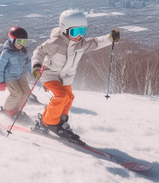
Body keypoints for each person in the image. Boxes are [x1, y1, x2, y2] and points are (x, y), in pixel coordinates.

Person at [31, 10, 120, 141]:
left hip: (66, 77)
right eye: (74, 32)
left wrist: (110, 38)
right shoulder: (56, 43)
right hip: (50, 75)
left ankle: (59, 119)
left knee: (69, 97)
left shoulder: (81, 44)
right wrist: (36, 66)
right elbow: (39, 51)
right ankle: (49, 122)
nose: (79, 36)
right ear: (64, 30)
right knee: (61, 96)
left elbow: (96, 42)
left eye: (82, 31)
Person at [0, 26, 32, 118]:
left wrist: (34, 73)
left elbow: (28, 62)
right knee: (17, 93)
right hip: (10, 77)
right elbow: (0, 68)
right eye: (19, 41)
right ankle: (8, 110)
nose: (21, 44)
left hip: (20, 75)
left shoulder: (23, 51)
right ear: (12, 40)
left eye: (24, 42)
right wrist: (0, 82)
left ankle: (16, 109)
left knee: (26, 92)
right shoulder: (7, 53)